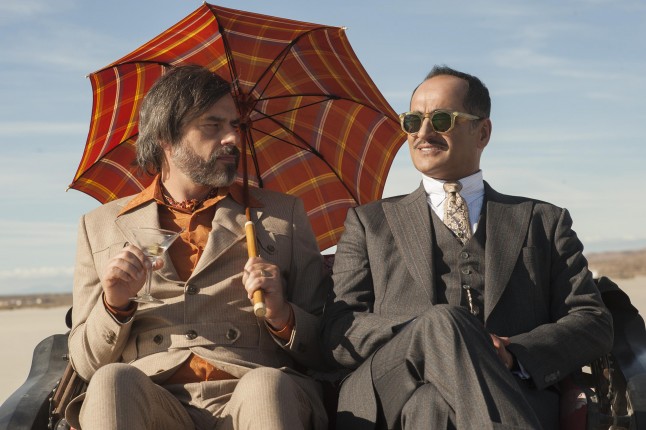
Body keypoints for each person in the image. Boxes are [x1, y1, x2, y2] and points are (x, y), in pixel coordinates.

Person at [321, 65, 613, 429]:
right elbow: (339, 330)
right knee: (443, 322)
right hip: (389, 393)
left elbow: (592, 321)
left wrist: (514, 354)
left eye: (441, 119)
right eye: (412, 121)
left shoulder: (543, 221)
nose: (423, 133)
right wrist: (429, 335)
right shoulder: (368, 223)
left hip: (513, 390)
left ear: (483, 132)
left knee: (431, 406)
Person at [66, 65, 329, 430]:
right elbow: (85, 363)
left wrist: (282, 315)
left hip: (254, 393)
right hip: (152, 402)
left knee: (265, 386)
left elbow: (326, 346)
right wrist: (115, 305)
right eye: (212, 125)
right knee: (112, 380)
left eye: (234, 125)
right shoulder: (99, 226)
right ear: (166, 137)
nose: (232, 138)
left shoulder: (283, 215)